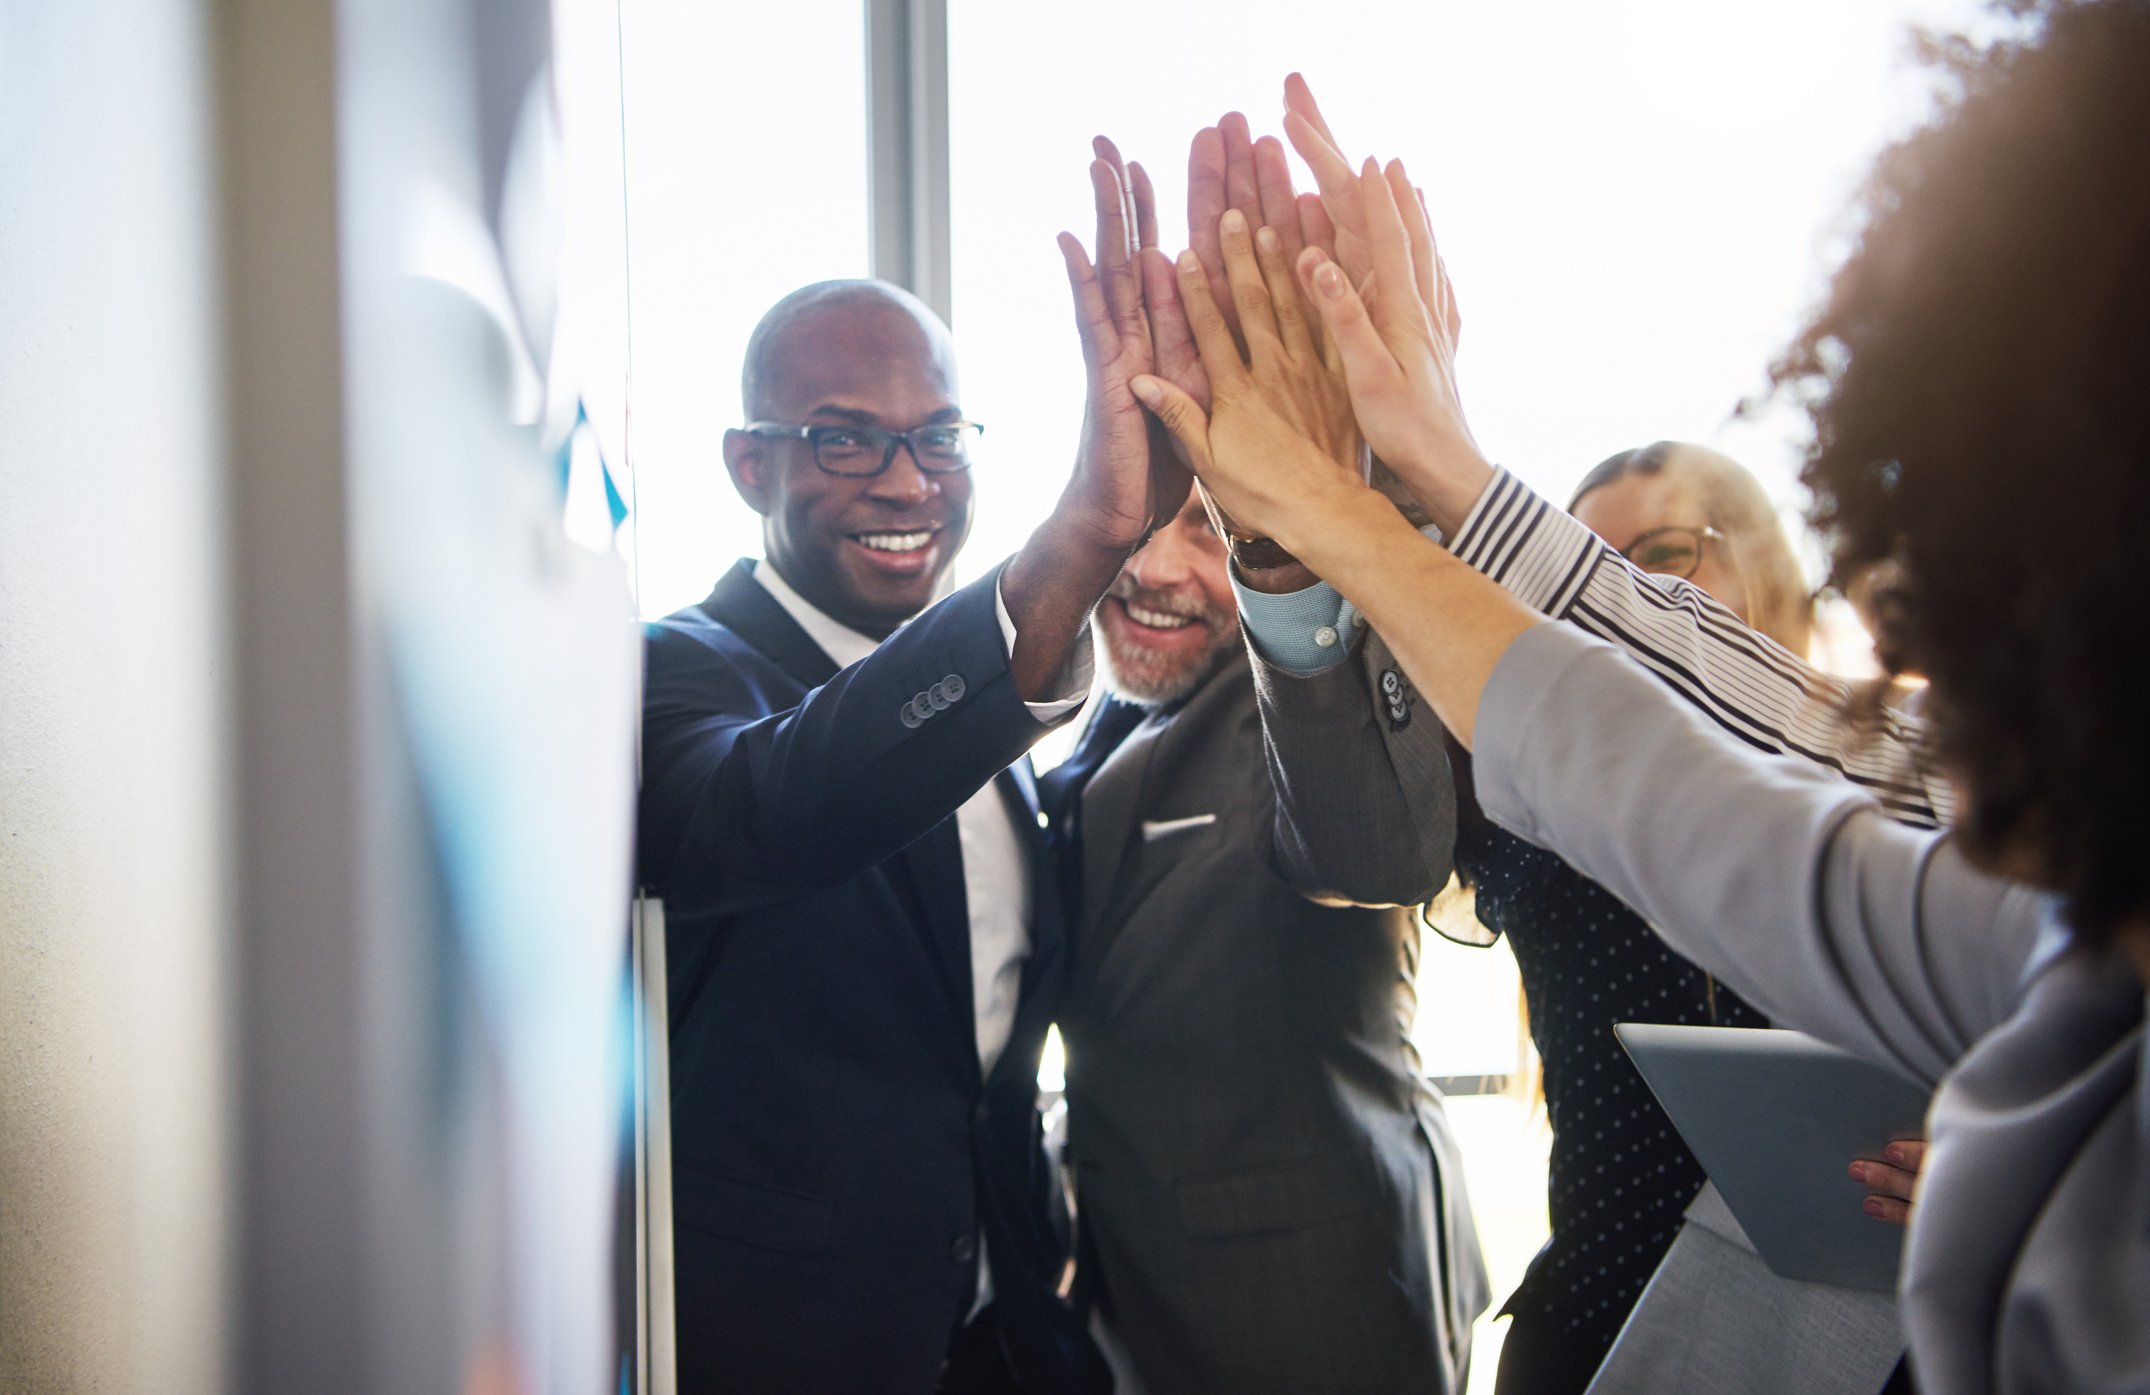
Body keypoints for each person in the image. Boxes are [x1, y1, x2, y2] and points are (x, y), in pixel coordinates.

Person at [1134, 3, 2150, 1388]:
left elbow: (1719, 774)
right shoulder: (2017, 933)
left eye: (1657, 560)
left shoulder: (1964, 874)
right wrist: (1361, 506)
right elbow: (1655, 783)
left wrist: (1386, 500)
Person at [636, 141, 1186, 1393]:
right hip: (791, 1355)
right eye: (844, 441)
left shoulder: (1004, 725)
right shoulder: (671, 674)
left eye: (939, 437)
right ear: (748, 463)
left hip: (1013, 1339)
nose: (906, 483)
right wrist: (1078, 538)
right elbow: (775, 805)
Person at [1040, 476, 1487, 1393]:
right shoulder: (1105, 715)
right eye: (1139, 527)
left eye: (1209, 530)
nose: (1153, 569)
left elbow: (1370, 855)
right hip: (1140, 1294)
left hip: (1316, 1300)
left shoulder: (1307, 709)